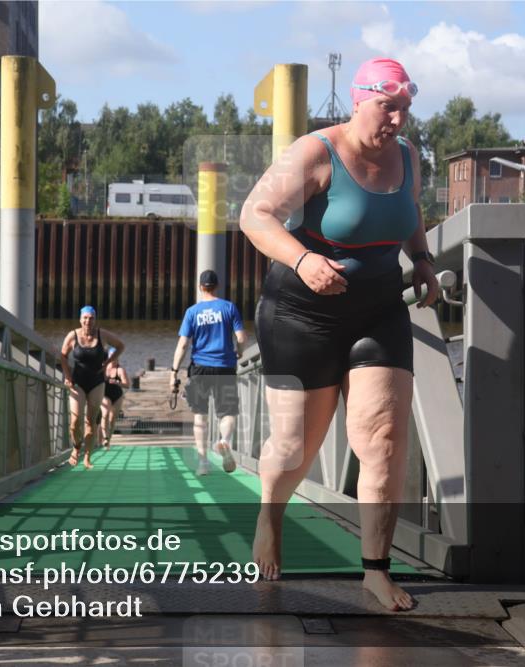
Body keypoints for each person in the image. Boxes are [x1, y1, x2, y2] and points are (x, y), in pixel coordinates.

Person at [239, 57, 438, 612]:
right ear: (358, 100)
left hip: (378, 310)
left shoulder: (408, 156)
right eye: (387, 107)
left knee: (383, 440)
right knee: (294, 447)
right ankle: (270, 514)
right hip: (303, 312)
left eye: (405, 109)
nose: (397, 120)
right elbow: (255, 214)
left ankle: (375, 569)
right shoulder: (316, 152)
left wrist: (422, 259)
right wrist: (304, 260)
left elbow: (409, 210)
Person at [170, 270, 248, 476]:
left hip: (200, 367)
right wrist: (239, 352)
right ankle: (225, 441)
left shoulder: (192, 312)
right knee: (228, 413)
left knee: (200, 416)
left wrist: (174, 371)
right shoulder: (229, 307)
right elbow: (241, 338)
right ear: (217, 286)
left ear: (200, 287)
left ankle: (203, 463)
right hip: (225, 366)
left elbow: (183, 344)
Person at [60, 307, 124, 469]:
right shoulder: (72, 335)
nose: (88, 321)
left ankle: (87, 456)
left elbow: (120, 346)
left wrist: (108, 362)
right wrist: (67, 376)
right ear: (80, 319)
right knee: (75, 421)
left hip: (97, 382)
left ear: (95, 320)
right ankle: (76, 447)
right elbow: (63, 356)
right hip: (78, 382)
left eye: (91, 318)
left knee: (91, 421)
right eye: (85, 318)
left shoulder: (102, 335)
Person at [99, 352, 129, 449]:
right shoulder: (103, 368)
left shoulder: (120, 370)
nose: (114, 360)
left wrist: (117, 382)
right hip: (105, 394)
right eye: (112, 357)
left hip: (117, 396)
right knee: (105, 413)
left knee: (112, 420)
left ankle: (108, 440)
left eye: (116, 357)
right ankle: (105, 437)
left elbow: (127, 385)